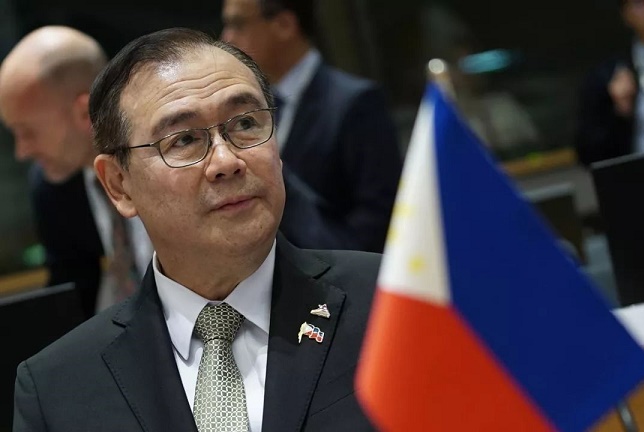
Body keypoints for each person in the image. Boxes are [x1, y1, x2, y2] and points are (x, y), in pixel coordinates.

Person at [13, 28, 379, 431]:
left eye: (246, 123)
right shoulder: (55, 389)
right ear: (119, 185)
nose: (227, 161)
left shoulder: (389, 304)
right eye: (184, 139)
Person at [221, 0, 402, 253]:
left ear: (284, 25)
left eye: (238, 24)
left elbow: (378, 223)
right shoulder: (244, 110)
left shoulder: (355, 102)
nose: (227, 39)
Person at [0, 26, 152, 317]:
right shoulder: (51, 188)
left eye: (27, 132)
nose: (21, 151)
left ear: (84, 112)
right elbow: (72, 299)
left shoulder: (169, 162)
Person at [575, 0, 644, 165]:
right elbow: (589, 156)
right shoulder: (609, 75)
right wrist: (620, 112)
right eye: (639, 3)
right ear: (627, 15)